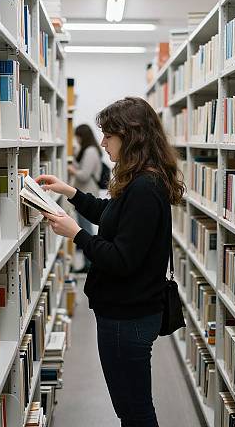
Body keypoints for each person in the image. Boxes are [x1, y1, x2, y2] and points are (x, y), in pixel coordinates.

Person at [36, 97, 185, 427]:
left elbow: (121, 259)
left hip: (128, 317)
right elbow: (111, 216)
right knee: (130, 408)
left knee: (135, 410)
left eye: (109, 135)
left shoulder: (145, 187)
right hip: (126, 312)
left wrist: (76, 234)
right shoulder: (140, 180)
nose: (102, 143)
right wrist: (71, 193)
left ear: (130, 136)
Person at [67, 124, 103, 272]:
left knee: (86, 229)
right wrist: (74, 158)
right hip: (86, 190)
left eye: (77, 136)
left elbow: (84, 175)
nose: (76, 139)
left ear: (82, 136)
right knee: (84, 226)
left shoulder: (90, 151)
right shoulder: (87, 150)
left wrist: (71, 169)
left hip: (88, 190)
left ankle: (89, 263)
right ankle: (88, 263)